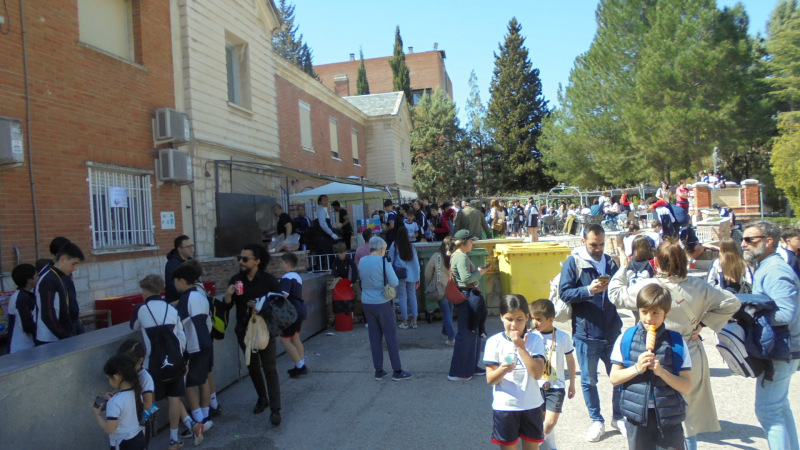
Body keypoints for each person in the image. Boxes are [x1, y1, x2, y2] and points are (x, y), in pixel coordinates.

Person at [608, 238, 740, 450]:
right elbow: (732, 302)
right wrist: (703, 323)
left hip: (651, 352)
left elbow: (615, 295)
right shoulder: (699, 286)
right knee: (688, 418)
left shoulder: (648, 288)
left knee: (655, 413)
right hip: (689, 350)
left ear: (657, 262)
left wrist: (623, 267)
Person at [736, 221, 800, 449]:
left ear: (768, 241)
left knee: (768, 411)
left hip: (781, 351)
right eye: (742, 239)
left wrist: (749, 315)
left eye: (749, 239)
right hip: (781, 349)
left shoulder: (775, 270)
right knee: (779, 408)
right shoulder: (767, 266)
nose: (743, 244)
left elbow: (786, 314)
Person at [557, 224, 623, 441]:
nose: (598, 249)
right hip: (586, 333)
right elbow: (564, 293)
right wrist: (588, 290)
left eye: (602, 244)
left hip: (611, 331)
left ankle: (618, 417)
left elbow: (619, 290)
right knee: (589, 380)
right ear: (583, 241)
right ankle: (597, 420)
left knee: (620, 377)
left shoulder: (610, 262)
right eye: (594, 244)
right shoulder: (574, 262)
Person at [609, 284, 692, 450]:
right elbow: (614, 378)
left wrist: (662, 372)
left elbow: (686, 386)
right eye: (644, 312)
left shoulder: (677, 342)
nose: (649, 318)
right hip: (636, 417)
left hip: (669, 417)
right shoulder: (626, 338)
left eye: (656, 313)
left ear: (666, 312)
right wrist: (637, 368)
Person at [130, 275, 202, 449]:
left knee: (165, 397)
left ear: (145, 291)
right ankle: (175, 437)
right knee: (174, 396)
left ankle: (186, 428)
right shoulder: (171, 309)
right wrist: (182, 359)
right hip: (175, 361)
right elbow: (181, 337)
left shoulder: (142, 309)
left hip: (153, 364)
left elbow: (134, 326)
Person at [223, 244, 283, 425]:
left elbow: (280, 305)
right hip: (244, 330)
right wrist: (228, 295)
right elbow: (227, 306)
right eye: (239, 258)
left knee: (270, 368)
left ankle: (275, 409)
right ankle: (262, 397)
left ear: (257, 261)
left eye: (245, 259)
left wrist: (259, 305)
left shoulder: (269, 281)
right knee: (252, 366)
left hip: (264, 330)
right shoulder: (236, 280)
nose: (241, 262)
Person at [484, 294, 546, 449]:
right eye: (509, 319)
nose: (514, 325)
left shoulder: (536, 339)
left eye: (519, 319)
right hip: (505, 407)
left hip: (532, 405)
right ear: (501, 317)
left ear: (527, 317)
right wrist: (503, 369)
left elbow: (537, 374)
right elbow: (491, 379)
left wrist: (520, 347)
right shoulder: (493, 342)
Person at [357, 237, 413, 381]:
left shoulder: (362, 261)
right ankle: (397, 370)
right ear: (382, 249)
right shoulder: (383, 261)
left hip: (367, 302)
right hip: (382, 302)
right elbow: (394, 281)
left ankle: (379, 370)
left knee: (374, 337)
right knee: (390, 337)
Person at [172, 260, 214, 431]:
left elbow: (179, 324)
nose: (174, 285)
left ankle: (199, 420)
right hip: (206, 342)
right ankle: (206, 415)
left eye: (175, 281)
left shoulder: (185, 299)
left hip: (193, 346)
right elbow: (209, 321)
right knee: (203, 379)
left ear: (182, 280)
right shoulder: (200, 294)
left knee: (188, 383)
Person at [530, 299, 576, 450]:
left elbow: (570, 360)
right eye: (533, 318)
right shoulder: (531, 336)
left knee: (550, 422)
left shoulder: (562, 337)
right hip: (536, 385)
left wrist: (572, 383)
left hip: (556, 386)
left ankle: (533, 446)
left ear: (551, 320)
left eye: (539, 319)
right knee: (542, 420)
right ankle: (551, 447)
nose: (534, 322)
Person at [448, 229, 489, 381]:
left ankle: (470, 367)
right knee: (467, 333)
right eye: (471, 241)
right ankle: (458, 372)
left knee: (472, 332)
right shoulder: (461, 257)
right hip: (466, 296)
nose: (473, 244)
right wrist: (479, 273)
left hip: (466, 295)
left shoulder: (457, 255)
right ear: (464, 242)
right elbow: (466, 279)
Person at [92, 354, 147, 450]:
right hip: (138, 437)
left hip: (123, 443)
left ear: (116, 377)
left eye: (108, 378)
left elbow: (110, 429)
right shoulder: (137, 392)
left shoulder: (115, 402)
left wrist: (97, 414)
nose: (109, 381)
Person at [35, 242, 85, 344]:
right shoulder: (49, 279)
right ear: (63, 259)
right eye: (74, 263)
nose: (75, 268)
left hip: (61, 334)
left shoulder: (60, 276)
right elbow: (48, 314)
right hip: (50, 339)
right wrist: (64, 336)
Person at [117, 339, 156, 448]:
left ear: (140, 360)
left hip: (140, 424)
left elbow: (148, 404)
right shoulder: (126, 374)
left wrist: (128, 404)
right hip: (126, 424)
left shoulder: (145, 378)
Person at [279, 252, 308, 378]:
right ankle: (302, 364)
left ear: (287, 264)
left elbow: (283, 295)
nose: (280, 265)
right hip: (300, 308)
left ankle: (299, 366)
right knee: (295, 338)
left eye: (281, 262)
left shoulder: (287, 277)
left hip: (292, 311)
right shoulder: (297, 276)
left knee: (284, 340)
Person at [425, 238, 455, 345]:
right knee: (449, 312)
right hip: (452, 287)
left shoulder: (436, 256)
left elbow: (427, 272)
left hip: (440, 288)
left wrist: (431, 282)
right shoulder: (454, 256)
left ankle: (451, 337)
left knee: (446, 313)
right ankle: (445, 332)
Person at [389, 229, 420, 329]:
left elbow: (390, 260)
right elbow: (416, 262)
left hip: (400, 274)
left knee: (402, 297)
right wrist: (418, 276)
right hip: (412, 275)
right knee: (412, 296)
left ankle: (405, 322)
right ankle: (414, 321)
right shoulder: (411, 246)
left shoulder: (394, 245)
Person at [7, 264, 37, 354]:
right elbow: (26, 325)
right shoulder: (22, 298)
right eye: (36, 275)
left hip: (24, 345)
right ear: (30, 279)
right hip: (21, 347)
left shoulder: (24, 295)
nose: (38, 277)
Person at [165, 235, 194, 303]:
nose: (191, 249)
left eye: (192, 246)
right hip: (177, 302)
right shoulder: (172, 264)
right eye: (188, 247)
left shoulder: (191, 262)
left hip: (191, 298)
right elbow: (173, 286)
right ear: (180, 249)